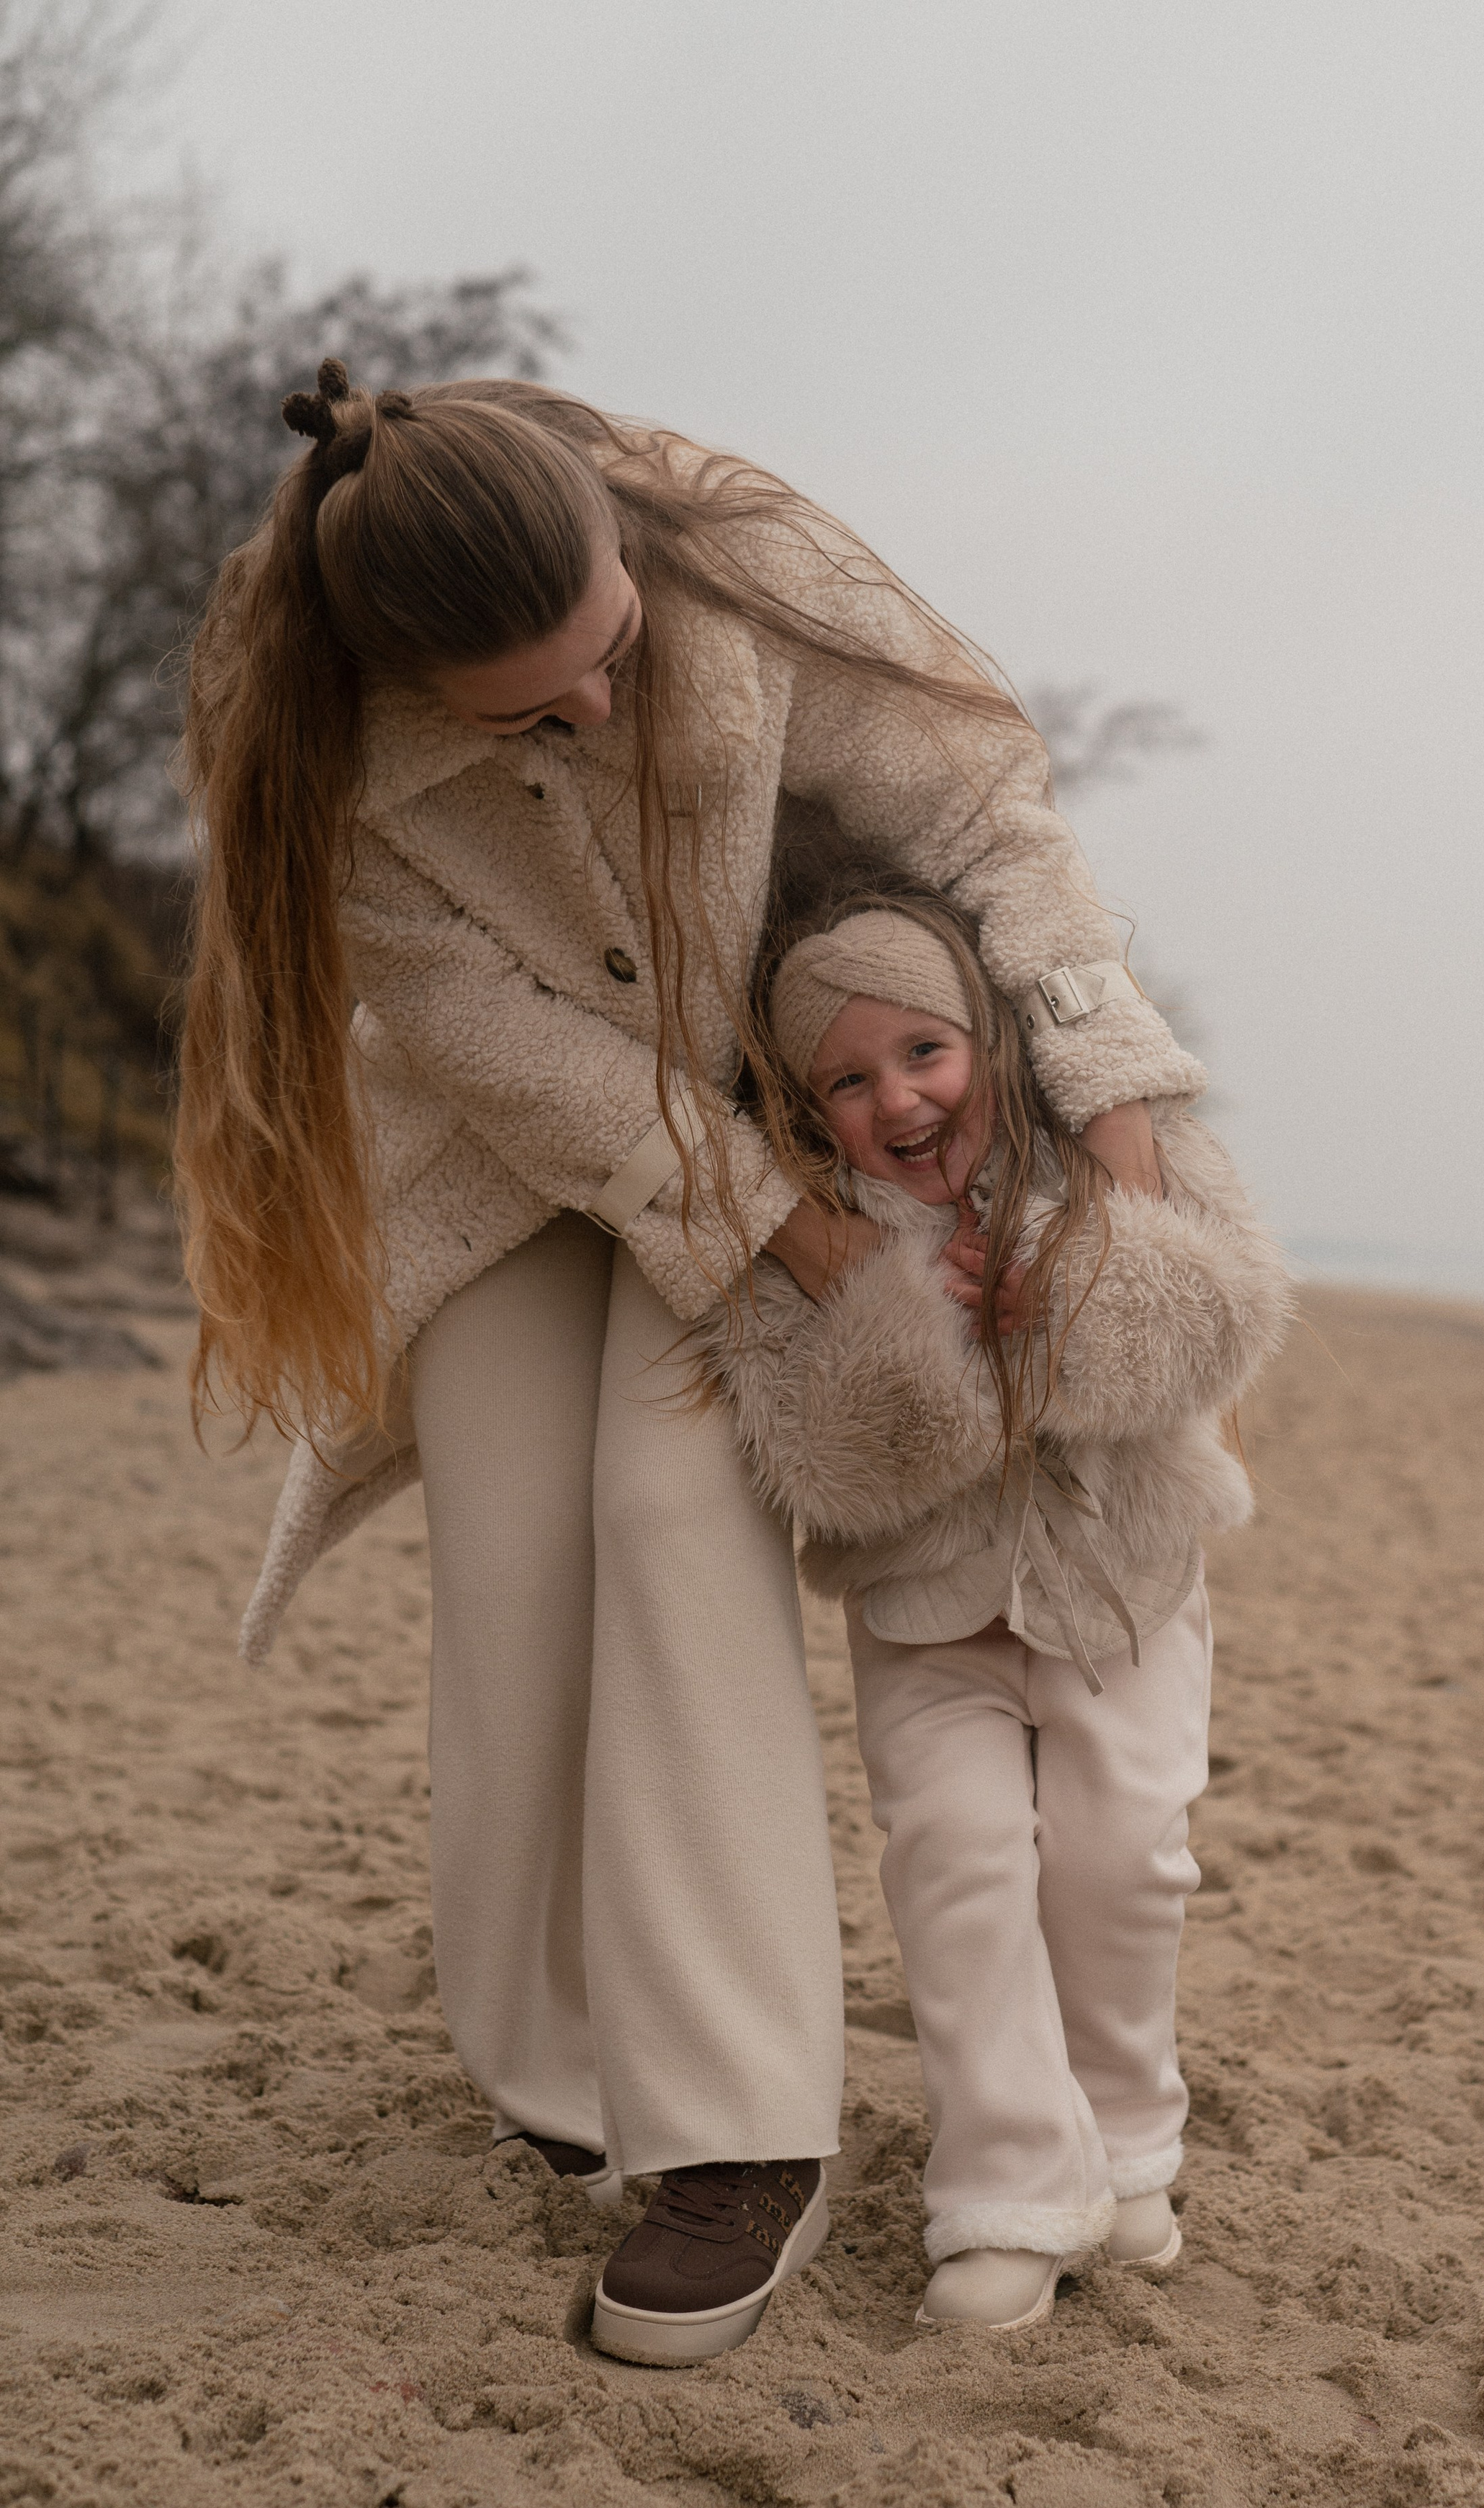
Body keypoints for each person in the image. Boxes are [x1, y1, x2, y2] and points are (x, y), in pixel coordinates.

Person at [175, 362, 1208, 2366]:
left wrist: (1101, 1073)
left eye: (609, 658)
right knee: (511, 1560)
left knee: (671, 1508)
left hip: (743, 1107)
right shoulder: (328, 762)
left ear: (625, 560)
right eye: (524, 704)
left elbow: (984, 810)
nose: (590, 709)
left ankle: (738, 2132)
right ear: (404, 684)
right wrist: (772, 1220)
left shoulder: (733, 576)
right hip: (510, 1157)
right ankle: (549, 2046)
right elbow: (515, 1058)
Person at [700, 890, 1292, 2332]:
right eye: (849, 1078)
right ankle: (1008, 2190)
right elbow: (812, 1457)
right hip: (926, 1616)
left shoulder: (1103, 1159)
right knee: (958, 1867)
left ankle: (1127, 2140)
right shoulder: (810, 1242)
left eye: (923, 1051)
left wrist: (1065, 1288)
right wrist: (922, 1319)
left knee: (1119, 1858)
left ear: (982, 1037)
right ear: (810, 1107)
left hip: (1122, 1586)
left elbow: (1225, 1318)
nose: (898, 1098)